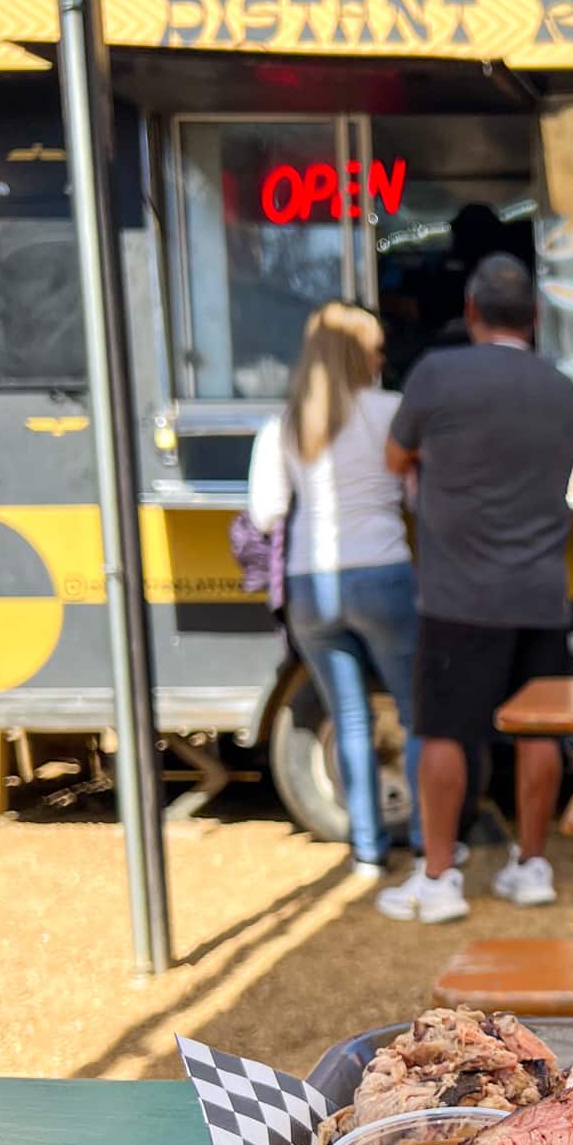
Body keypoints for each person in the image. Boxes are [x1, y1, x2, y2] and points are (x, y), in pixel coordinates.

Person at [375, 254, 573, 924]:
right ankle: (531, 865)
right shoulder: (561, 388)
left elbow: (394, 456)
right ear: (536, 319)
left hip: (458, 592)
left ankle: (438, 879)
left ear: (470, 312)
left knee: (445, 732)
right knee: (538, 730)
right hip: (542, 589)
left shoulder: (437, 374)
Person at [247, 303, 422, 877]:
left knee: (348, 720)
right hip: (381, 572)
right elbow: (417, 498)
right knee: (415, 715)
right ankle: (426, 839)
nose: (382, 359)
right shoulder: (391, 412)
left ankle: (367, 851)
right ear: (359, 356)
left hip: (308, 583)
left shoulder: (284, 423)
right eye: (376, 350)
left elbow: (267, 513)